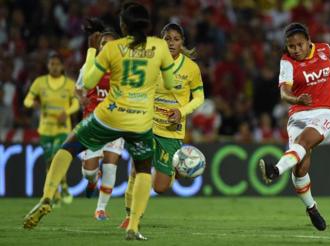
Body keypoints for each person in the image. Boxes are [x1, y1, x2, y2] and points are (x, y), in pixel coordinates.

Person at [23, 2, 176, 241]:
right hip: (141, 121)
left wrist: (93, 50)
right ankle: (133, 226)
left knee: (68, 148)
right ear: (147, 24)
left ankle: (47, 197)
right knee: (144, 169)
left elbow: (90, 81)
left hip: (110, 116)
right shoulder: (159, 46)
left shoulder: (113, 48)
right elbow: (169, 83)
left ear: (123, 26)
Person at [259, 23, 330, 231]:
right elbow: (284, 93)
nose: (295, 50)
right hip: (298, 113)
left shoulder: (324, 49)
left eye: (299, 45)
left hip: (325, 112)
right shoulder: (286, 62)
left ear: (308, 41)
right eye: (291, 46)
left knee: (303, 142)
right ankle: (312, 207)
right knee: (300, 168)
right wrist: (296, 98)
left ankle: (275, 170)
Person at [119, 22, 205, 229]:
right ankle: (131, 216)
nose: (171, 43)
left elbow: (200, 97)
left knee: (160, 187)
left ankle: (174, 168)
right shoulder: (151, 61)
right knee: (136, 169)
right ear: (161, 40)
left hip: (171, 131)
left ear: (182, 42)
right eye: (167, 38)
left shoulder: (191, 68)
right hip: (146, 123)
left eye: (176, 39)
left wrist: (181, 112)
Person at [76, 25, 123, 221]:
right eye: (103, 43)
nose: (106, 46)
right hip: (93, 126)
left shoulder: (122, 70)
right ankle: (92, 180)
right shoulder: (90, 66)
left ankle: (101, 209)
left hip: (114, 125)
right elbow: (78, 88)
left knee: (111, 166)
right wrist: (81, 99)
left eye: (111, 44)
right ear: (99, 46)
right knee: (89, 172)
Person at [23, 52, 79, 206]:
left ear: (62, 66)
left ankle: (59, 191)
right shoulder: (40, 82)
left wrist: (66, 112)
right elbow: (27, 99)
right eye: (52, 64)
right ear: (48, 65)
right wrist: (32, 104)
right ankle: (59, 192)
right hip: (45, 129)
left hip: (63, 129)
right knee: (49, 162)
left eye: (57, 64)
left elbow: (76, 103)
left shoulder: (69, 84)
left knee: (56, 157)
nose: (54, 67)